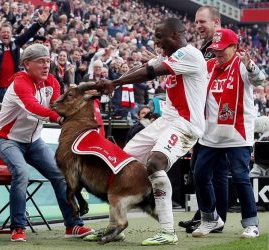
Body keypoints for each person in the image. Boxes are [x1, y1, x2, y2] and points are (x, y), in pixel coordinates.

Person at [97, 18, 208, 245]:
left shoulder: (190, 54)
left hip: (186, 124)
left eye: (160, 37)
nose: (156, 42)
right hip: (167, 119)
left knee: (155, 163)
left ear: (176, 35)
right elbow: (146, 66)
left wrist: (115, 82)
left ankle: (168, 231)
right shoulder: (170, 54)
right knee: (121, 163)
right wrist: (117, 79)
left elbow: (150, 72)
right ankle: (115, 225)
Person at [0, 44, 94, 242]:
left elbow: (58, 105)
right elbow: (33, 108)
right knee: (21, 173)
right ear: (27, 64)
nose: (46, 65)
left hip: (34, 141)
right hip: (7, 139)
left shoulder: (52, 82)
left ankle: (73, 226)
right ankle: (17, 228)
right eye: (40, 61)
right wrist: (58, 118)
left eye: (48, 61)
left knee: (60, 175)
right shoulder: (20, 82)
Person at [192, 28, 265, 238]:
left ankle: (251, 224)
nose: (218, 53)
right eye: (215, 49)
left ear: (235, 47)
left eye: (223, 49)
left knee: (241, 177)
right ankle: (209, 219)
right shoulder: (207, 66)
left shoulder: (242, 65)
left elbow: (260, 80)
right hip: (210, 134)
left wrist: (250, 65)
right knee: (200, 175)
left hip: (237, 134)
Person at [179, 5, 226, 234]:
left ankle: (213, 217)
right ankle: (207, 215)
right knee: (207, 170)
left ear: (216, 22)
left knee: (206, 170)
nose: (198, 26)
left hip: (213, 118)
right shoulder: (206, 47)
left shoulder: (221, 47)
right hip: (204, 116)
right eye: (196, 22)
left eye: (202, 22)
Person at [0, 9, 51, 100]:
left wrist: (39, 23)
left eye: (8, 32)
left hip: (10, 87)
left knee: (8, 113)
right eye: (3, 32)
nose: (6, 34)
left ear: (11, 35)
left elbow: (28, 34)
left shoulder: (14, 44)